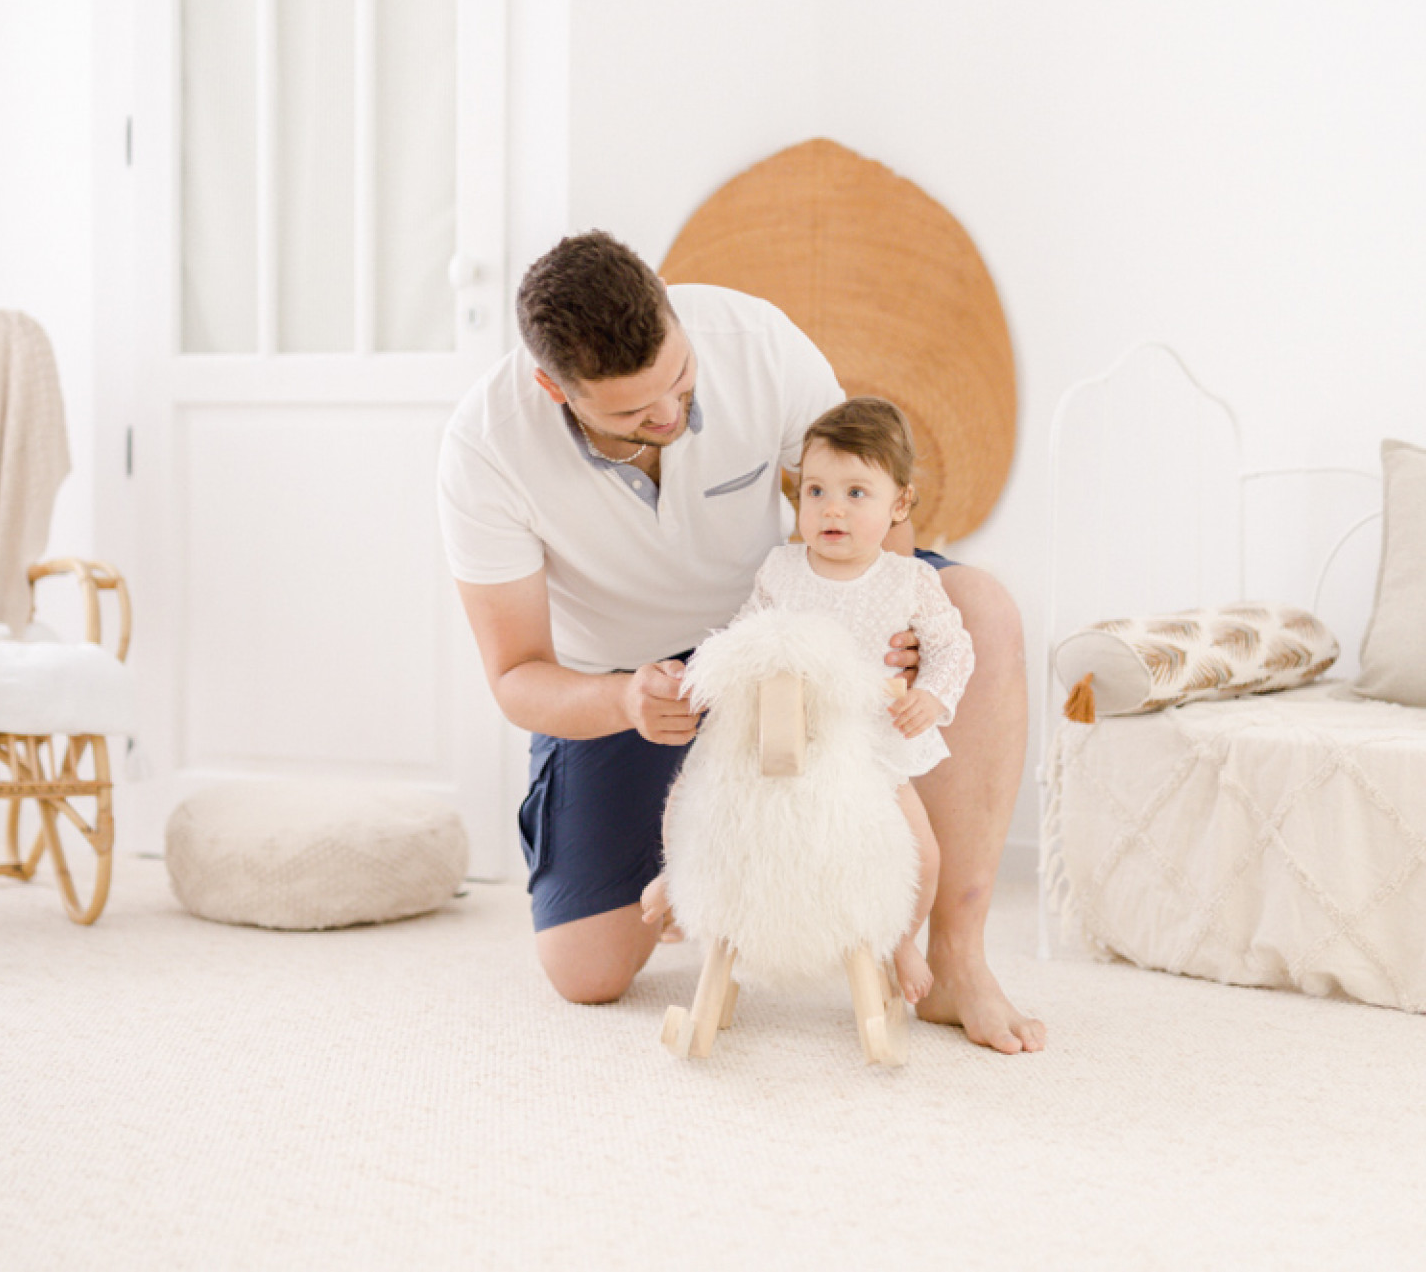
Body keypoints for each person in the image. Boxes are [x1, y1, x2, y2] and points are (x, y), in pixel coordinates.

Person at [437, 230, 1044, 1054]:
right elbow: (515, 675)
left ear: (674, 317)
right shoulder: (485, 449)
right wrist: (625, 699)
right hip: (633, 680)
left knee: (983, 608)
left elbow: (863, 497)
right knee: (585, 971)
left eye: (679, 382)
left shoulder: (755, 343)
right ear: (554, 388)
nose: (668, 415)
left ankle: (956, 961)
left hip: (796, 625)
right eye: (632, 413)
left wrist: (886, 631)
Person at [639, 397, 969, 1004]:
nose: (831, 509)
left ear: (900, 503)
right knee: (691, 789)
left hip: (867, 747)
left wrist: (932, 698)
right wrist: (699, 677)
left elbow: (953, 649)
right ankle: (678, 879)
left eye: (856, 493)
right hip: (779, 735)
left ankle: (897, 937)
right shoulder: (782, 570)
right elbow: (743, 635)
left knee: (922, 854)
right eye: (815, 491)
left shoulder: (909, 580)